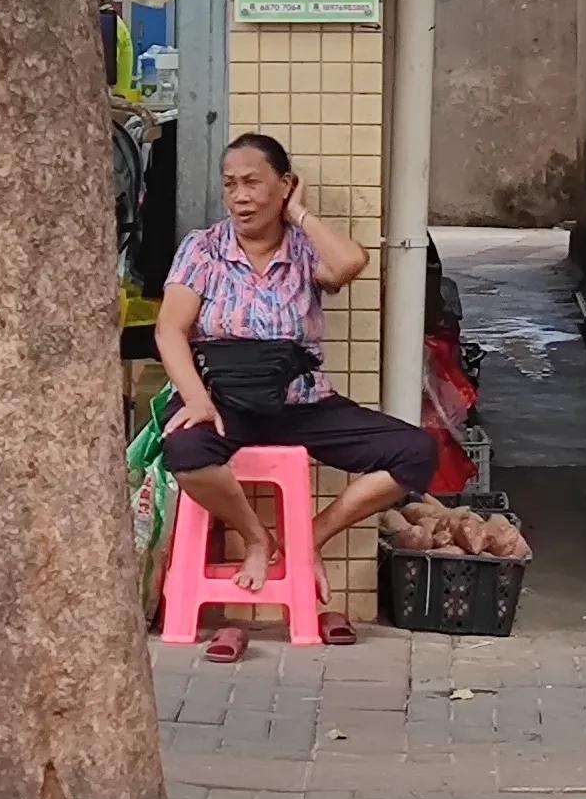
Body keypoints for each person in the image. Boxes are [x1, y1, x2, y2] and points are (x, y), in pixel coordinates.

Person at [153, 133, 441, 652]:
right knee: (186, 451)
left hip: (301, 403)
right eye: (230, 185)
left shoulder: (305, 249)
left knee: (415, 451)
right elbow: (170, 330)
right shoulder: (202, 249)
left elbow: (351, 264)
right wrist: (195, 398)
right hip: (223, 399)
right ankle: (258, 538)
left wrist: (300, 214)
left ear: (283, 185)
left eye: (253, 183)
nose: (240, 196)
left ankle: (306, 539)